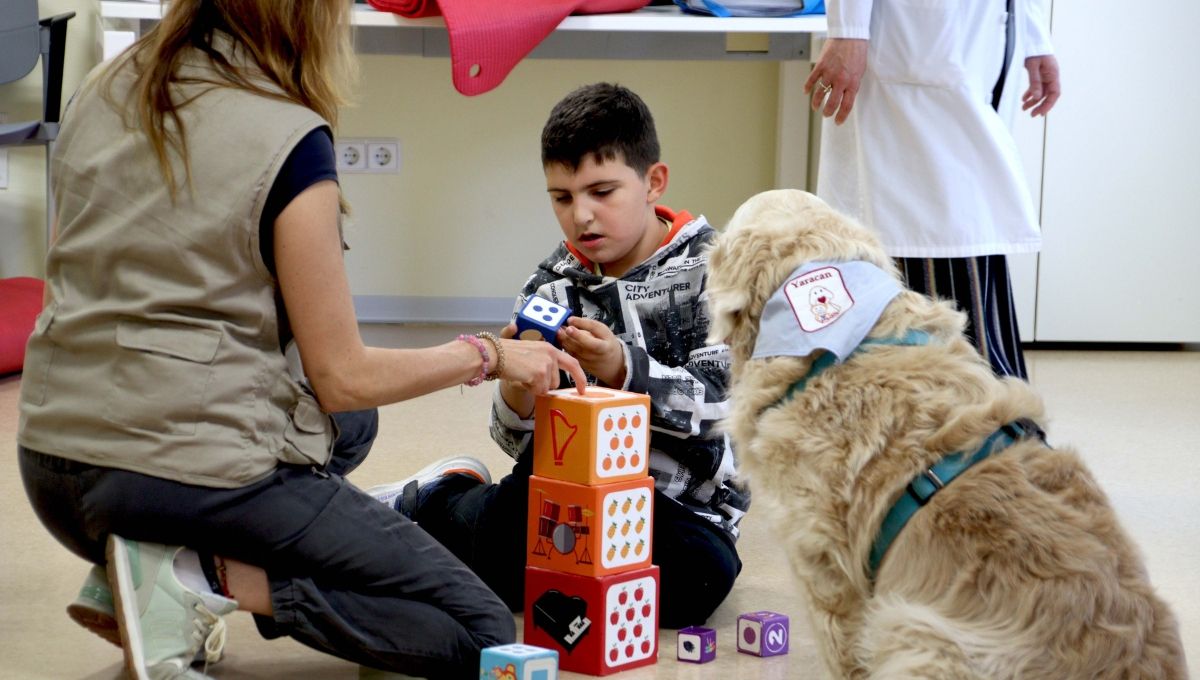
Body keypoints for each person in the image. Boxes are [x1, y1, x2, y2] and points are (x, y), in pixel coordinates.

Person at [16, 2, 587, 678]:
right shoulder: (287, 136)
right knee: (481, 627)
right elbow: (341, 373)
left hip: (51, 462)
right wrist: (490, 354)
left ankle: (135, 568)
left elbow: (72, 283)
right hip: (170, 475)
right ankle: (200, 576)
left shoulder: (105, 85)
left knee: (349, 428)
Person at [367, 82, 750, 630]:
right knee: (495, 566)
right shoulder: (552, 287)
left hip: (683, 512)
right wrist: (517, 389)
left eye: (602, 191)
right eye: (563, 198)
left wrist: (623, 367)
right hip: (564, 498)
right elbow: (515, 439)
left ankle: (467, 519)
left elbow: (725, 407)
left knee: (694, 588)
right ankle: (440, 497)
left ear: (653, 182)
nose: (582, 217)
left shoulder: (717, 270)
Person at [804, 0, 1062, 379]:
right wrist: (848, 29)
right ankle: (962, 409)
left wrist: (1034, 33)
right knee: (929, 230)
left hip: (980, 31)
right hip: (913, 34)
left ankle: (985, 413)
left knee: (965, 229)